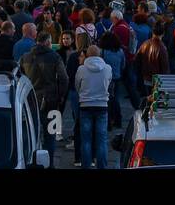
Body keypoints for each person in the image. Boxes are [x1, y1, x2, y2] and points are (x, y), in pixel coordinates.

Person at [19, 32, 69, 166]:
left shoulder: (25, 56)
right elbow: (64, 78)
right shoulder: (55, 56)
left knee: (30, 133)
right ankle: (49, 164)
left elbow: (20, 77)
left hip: (30, 100)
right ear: (47, 42)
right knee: (51, 136)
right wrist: (60, 96)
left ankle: (31, 162)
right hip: (52, 101)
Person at [75, 45, 113, 168]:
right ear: (100, 54)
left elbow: (77, 85)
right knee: (101, 140)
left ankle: (86, 165)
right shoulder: (107, 68)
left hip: (85, 105)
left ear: (87, 55)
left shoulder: (81, 69)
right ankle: (102, 165)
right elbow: (109, 83)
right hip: (102, 106)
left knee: (86, 139)